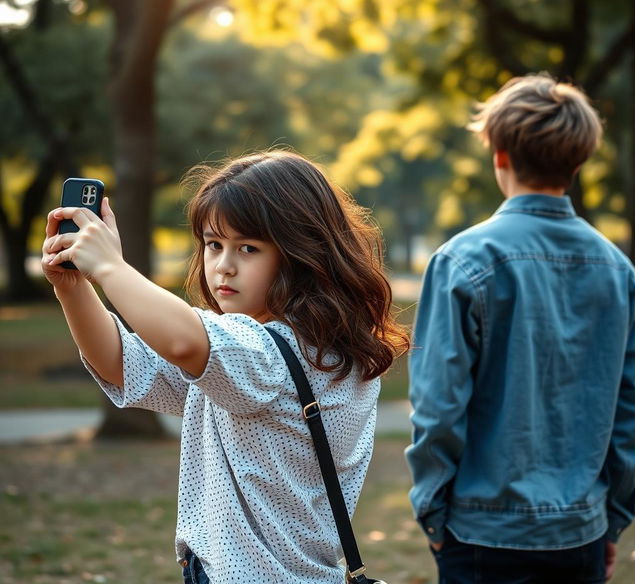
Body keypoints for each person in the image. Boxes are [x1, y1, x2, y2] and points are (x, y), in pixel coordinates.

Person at [41, 150, 409, 584]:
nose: (223, 266)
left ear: (302, 253)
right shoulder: (283, 352)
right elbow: (122, 365)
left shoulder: (274, 356)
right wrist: (73, 288)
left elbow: (181, 341)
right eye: (214, 244)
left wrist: (110, 267)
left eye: (248, 248)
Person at [406, 74, 635, 583]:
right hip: (582, 531)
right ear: (577, 163)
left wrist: (431, 509)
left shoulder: (462, 260)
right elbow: (630, 409)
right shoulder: (619, 271)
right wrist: (614, 521)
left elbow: (438, 405)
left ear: (500, 154)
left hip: (480, 534)